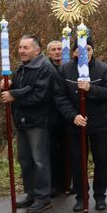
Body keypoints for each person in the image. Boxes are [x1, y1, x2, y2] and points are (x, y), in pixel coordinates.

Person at [54, 37, 107, 211]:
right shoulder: (64, 70)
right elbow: (60, 97)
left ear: (92, 51)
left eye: (88, 49)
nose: (85, 53)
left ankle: (100, 196)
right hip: (74, 124)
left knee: (101, 160)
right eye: (81, 49)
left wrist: (91, 89)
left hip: (98, 123)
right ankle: (81, 196)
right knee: (77, 161)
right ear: (74, 52)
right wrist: (72, 116)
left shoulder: (104, 69)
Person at [0, 35, 56, 213]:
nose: (21, 51)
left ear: (37, 50)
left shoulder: (45, 68)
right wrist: (6, 85)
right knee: (25, 160)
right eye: (20, 48)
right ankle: (31, 193)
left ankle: (43, 197)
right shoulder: (22, 68)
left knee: (40, 161)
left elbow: (40, 96)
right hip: (22, 121)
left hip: (38, 121)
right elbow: (18, 88)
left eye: (25, 48)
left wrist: (14, 95)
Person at [46, 40, 68, 196]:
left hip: (68, 116)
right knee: (53, 152)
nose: (57, 52)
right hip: (51, 116)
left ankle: (68, 182)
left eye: (60, 49)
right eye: (53, 49)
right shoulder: (45, 69)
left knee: (69, 151)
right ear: (48, 53)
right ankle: (54, 184)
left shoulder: (70, 67)